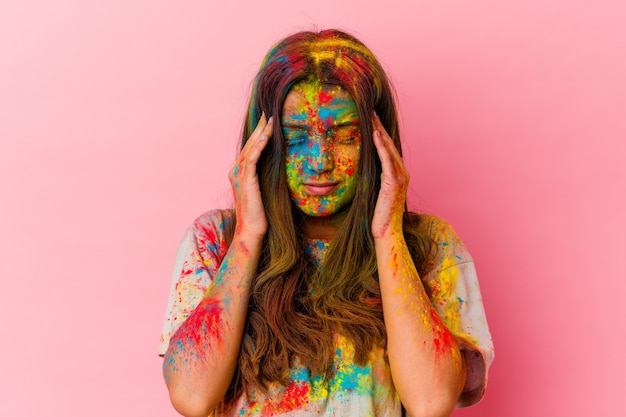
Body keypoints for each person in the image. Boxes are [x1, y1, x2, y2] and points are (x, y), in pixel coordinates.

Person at [158, 29, 494, 417]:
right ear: (263, 143)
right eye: (295, 137)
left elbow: (431, 402)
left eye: (345, 136)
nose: (320, 160)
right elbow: (190, 395)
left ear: (376, 140)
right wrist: (249, 235)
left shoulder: (429, 244)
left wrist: (388, 235)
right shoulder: (215, 240)